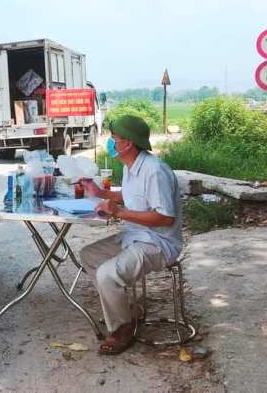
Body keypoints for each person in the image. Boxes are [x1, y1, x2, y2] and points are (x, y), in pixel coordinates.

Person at [78, 115, 182, 355]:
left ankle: (123, 329)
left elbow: (166, 218)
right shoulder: (131, 166)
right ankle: (129, 310)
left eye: (114, 139)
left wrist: (119, 213)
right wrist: (99, 192)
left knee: (107, 274)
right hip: (136, 235)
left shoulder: (154, 171)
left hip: (159, 243)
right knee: (89, 255)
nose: (111, 143)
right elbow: (130, 196)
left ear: (128, 144)